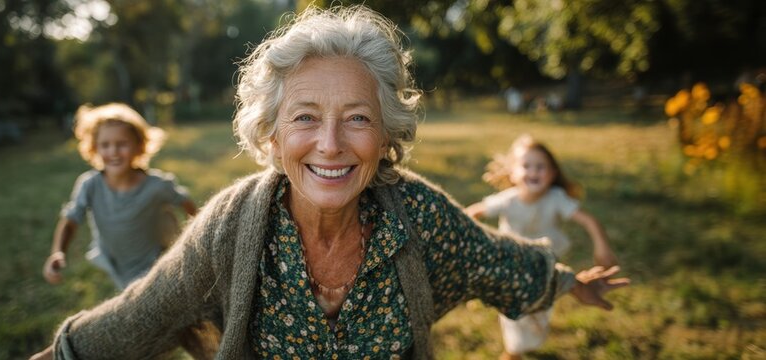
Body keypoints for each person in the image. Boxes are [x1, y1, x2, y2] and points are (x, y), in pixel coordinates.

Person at [31, 6, 628, 359]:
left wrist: (566, 281)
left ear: (387, 134)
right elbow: (144, 312)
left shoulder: (417, 215)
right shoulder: (233, 225)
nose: (332, 144)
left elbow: (488, 256)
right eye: (306, 117)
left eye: (358, 118)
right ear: (270, 134)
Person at [465, 134, 618, 359]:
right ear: (513, 173)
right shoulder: (508, 199)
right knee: (514, 305)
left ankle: (527, 340)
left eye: (541, 166)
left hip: (547, 261)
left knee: (542, 304)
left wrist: (602, 247)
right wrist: (472, 239)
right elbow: (472, 213)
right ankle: (512, 351)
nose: (533, 171)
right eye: (526, 166)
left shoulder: (556, 197)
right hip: (513, 261)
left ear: (552, 173)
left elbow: (588, 220)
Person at [42, 103, 198, 290]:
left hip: (158, 263)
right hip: (117, 266)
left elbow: (186, 203)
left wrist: (195, 238)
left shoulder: (157, 185)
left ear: (139, 146)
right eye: (105, 145)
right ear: (94, 148)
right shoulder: (90, 185)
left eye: (122, 144)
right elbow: (70, 221)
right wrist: (58, 252)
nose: (113, 152)